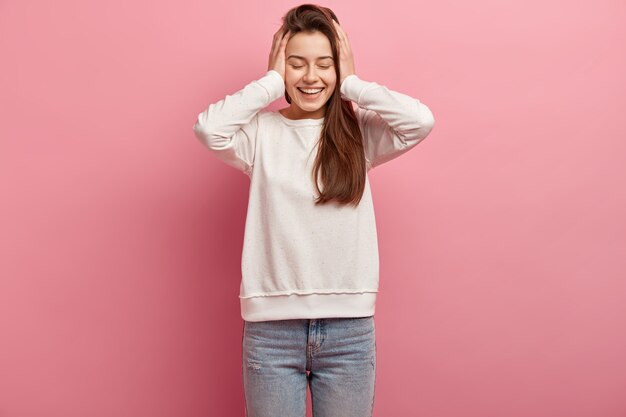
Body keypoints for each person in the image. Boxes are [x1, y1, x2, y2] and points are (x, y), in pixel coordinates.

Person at [192, 4, 435, 417]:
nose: (310, 77)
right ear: (280, 67)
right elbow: (208, 129)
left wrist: (353, 83)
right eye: (296, 64)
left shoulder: (359, 133)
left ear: (339, 67)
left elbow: (420, 121)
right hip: (271, 333)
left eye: (325, 64)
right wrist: (269, 83)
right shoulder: (261, 133)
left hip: (349, 332)